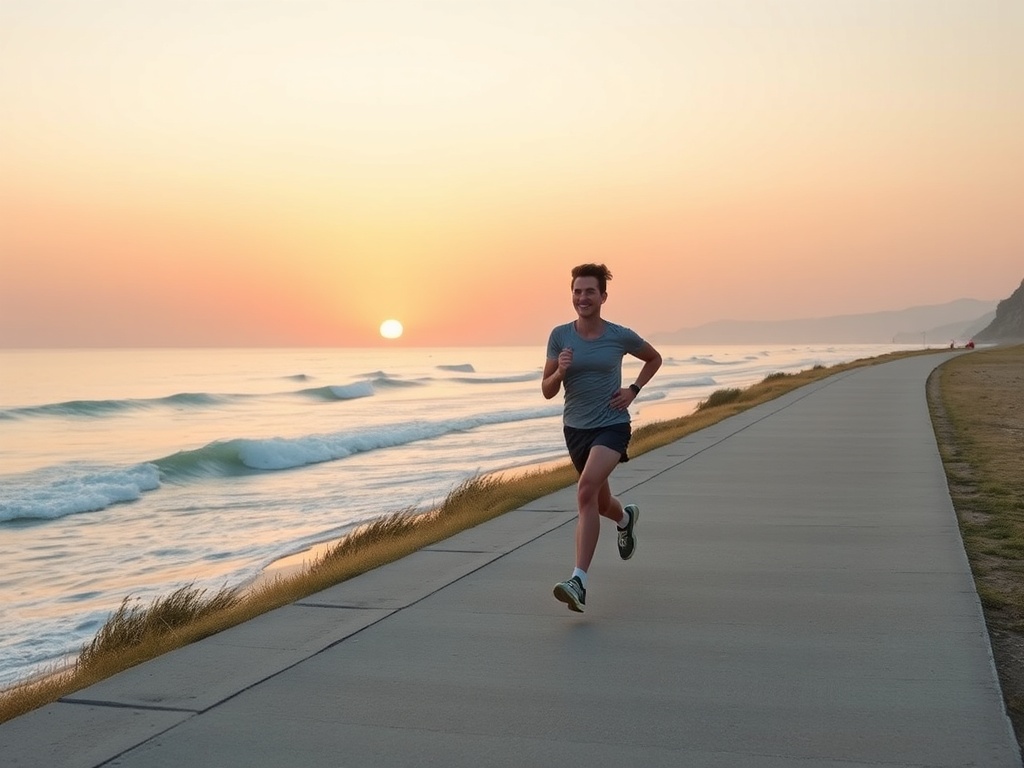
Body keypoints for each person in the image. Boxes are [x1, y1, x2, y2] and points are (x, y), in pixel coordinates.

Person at [542, 263, 662, 612]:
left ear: (603, 296)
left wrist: (634, 389)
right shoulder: (560, 336)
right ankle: (625, 519)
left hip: (612, 425)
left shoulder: (619, 335)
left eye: (589, 291)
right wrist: (561, 371)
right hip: (575, 429)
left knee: (584, 493)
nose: (583, 297)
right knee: (599, 501)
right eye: (577, 291)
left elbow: (653, 358)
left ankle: (578, 580)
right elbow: (547, 391)